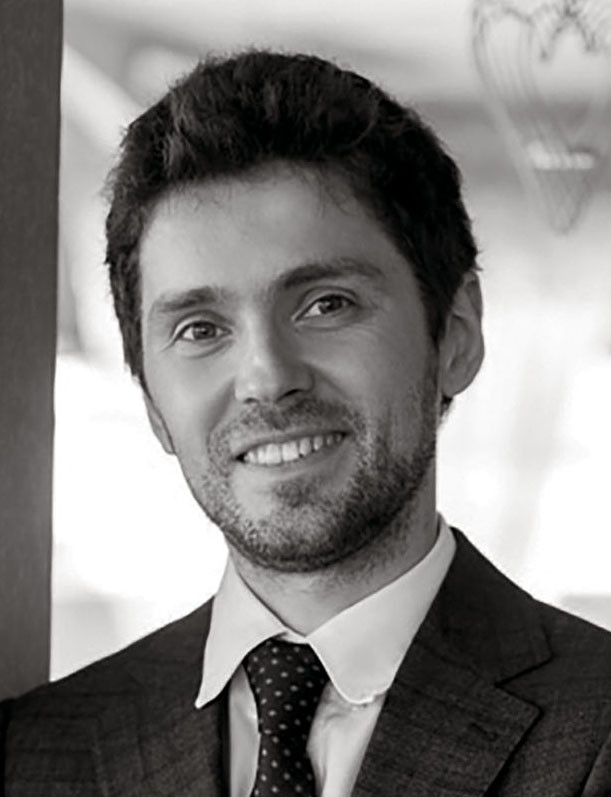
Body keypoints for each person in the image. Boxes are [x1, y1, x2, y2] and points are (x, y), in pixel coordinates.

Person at [2, 49, 611, 797]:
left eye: (325, 304)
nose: (267, 377)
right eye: (200, 329)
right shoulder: (33, 756)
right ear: (153, 401)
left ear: (455, 335)